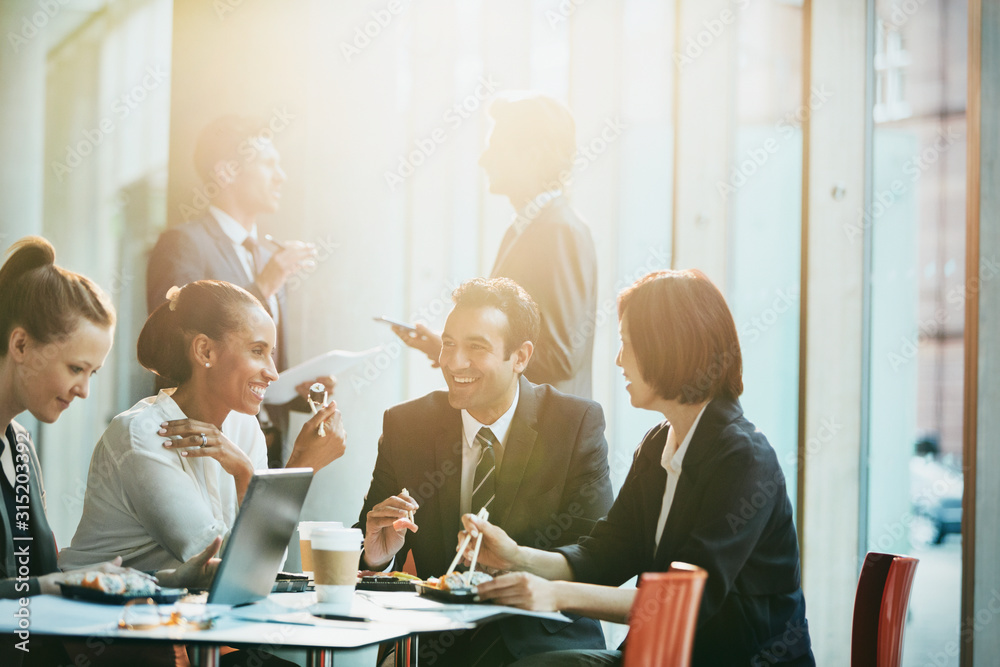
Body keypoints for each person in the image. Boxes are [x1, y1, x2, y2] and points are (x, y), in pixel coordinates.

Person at [457, 270, 815, 666]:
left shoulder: (744, 458)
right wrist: (516, 557)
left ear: (669, 345)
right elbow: (604, 557)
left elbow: (686, 602)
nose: (618, 359)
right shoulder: (659, 445)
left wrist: (556, 595)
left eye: (627, 343)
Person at [359, 277, 613, 666]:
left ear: (521, 357)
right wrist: (379, 559)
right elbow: (367, 553)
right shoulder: (406, 426)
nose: (453, 362)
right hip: (437, 641)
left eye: (476, 347)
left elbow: (593, 558)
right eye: (448, 344)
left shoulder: (574, 423)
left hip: (542, 642)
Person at [0, 237, 219, 666]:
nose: (84, 390)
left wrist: (168, 580)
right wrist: (57, 586)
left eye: (93, 372)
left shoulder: (20, 449)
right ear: (21, 345)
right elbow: (41, 587)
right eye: (76, 368)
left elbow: (38, 581)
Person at [58, 280, 345, 571]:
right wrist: (287, 468)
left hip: (170, 608)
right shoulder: (143, 436)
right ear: (205, 351)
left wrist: (277, 473)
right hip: (92, 606)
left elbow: (264, 567)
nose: (272, 373)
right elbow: (235, 569)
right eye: (257, 351)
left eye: (271, 353)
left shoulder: (245, 429)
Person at [146, 114, 333, 466]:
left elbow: (261, 362)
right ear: (226, 172)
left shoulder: (267, 257)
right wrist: (265, 284)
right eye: (268, 164)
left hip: (265, 442)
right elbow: (168, 338)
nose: (281, 176)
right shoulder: (183, 243)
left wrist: (301, 391)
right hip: (198, 438)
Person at [395, 94, 598, 398]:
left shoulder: (559, 232)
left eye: (497, 148)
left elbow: (562, 358)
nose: (483, 159)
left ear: (532, 156)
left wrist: (466, 353)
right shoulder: (526, 228)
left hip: (546, 436)